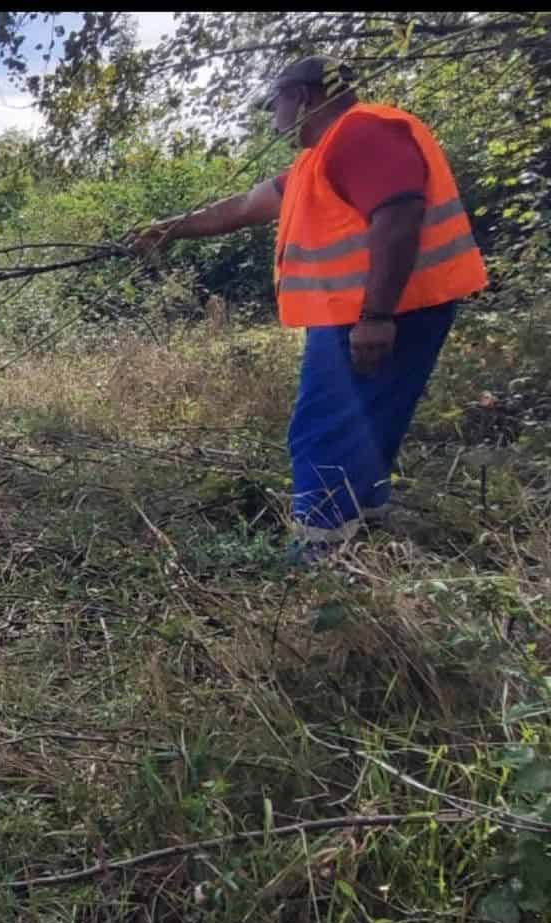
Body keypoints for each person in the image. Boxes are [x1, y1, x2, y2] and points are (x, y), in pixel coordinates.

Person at [130, 56, 489, 563]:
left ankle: (316, 561)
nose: (271, 115)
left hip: (379, 317)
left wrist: (376, 316)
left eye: (274, 102)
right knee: (362, 430)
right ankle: (363, 539)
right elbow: (240, 208)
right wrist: (170, 227)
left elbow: (398, 216)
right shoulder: (315, 161)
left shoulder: (360, 133)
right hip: (364, 317)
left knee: (322, 433)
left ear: (302, 96)